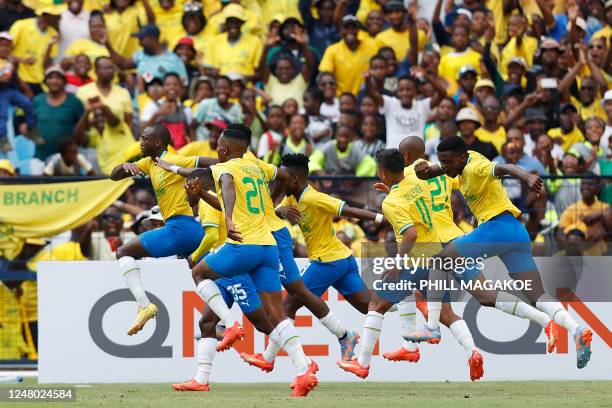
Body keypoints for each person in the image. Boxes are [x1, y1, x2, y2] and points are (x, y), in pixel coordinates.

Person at [414, 137, 593, 369]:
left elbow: (503, 168)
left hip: (496, 228)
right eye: (441, 162)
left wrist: (527, 176)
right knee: (538, 296)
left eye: (446, 162)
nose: (443, 166)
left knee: (439, 263)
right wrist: (422, 170)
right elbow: (431, 172)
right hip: (516, 233)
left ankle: (432, 326)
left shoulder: (475, 167)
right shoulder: (460, 162)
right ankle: (577, 330)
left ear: (460, 158)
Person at [182, 129, 319, 397]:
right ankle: (303, 368)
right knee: (277, 316)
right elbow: (280, 174)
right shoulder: (257, 167)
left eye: (219, 144)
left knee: (199, 273)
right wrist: (273, 205)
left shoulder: (225, 167)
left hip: (243, 244)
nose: (217, 148)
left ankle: (231, 323)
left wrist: (230, 220)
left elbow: (228, 188)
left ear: (223, 148)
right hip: (268, 247)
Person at [339, 147, 484, 381]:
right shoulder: (419, 183)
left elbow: (411, 234)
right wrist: (391, 192)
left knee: (376, 304)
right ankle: (473, 351)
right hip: (438, 255)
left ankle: (362, 364)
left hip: (417, 260)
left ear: (384, 174)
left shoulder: (391, 202)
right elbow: (411, 204)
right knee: (446, 313)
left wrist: (398, 263)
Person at [110, 124, 205, 336]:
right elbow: (113, 176)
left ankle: (144, 305)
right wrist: (125, 165)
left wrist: (234, 164)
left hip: (180, 228)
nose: (140, 143)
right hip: (192, 230)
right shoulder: (148, 163)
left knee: (123, 252)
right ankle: (224, 323)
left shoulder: (176, 160)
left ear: (157, 142)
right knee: (203, 276)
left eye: (144, 139)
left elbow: (210, 165)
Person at [367, 68, 446, 147]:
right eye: (401, 90)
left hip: (415, 155)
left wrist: (426, 76)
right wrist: (367, 79)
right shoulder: (390, 104)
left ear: (415, 91)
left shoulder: (422, 106)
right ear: (397, 92)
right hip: (393, 155)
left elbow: (442, 93)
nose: (405, 93)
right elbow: (372, 93)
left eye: (408, 89)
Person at [104, 23, 187, 92]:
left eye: (141, 39)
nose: (139, 43)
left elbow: (184, 85)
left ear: (153, 38)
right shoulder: (141, 55)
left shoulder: (173, 60)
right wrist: (107, 44)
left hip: (162, 107)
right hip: (140, 104)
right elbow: (123, 64)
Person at [76, 56, 133, 145]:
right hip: (92, 144)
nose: (109, 71)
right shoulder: (82, 91)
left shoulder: (123, 92)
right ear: (96, 70)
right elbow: (78, 121)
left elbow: (128, 122)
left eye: (111, 68)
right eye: (105, 68)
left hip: (120, 144)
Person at [32, 66, 84, 161]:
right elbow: (27, 123)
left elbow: (84, 126)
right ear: (45, 81)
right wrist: (33, 136)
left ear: (64, 82)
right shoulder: (37, 100)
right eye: (50, 78)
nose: (54, 81)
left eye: (58, 78)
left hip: (67, 158)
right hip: (40, 156)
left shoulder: (74, 101)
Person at [319, 15, 380, 95]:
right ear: (340, 30)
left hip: (365, 97)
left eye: (353, 28)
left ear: (358, 30)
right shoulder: (332, 50)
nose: (350, 31)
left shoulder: (372, 45)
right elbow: (325, 74)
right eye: (346, 28)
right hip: (341, 99)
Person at [9, 6, 61, 94]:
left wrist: (50, 46)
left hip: (39, 81)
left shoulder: (54, 34)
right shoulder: (21, 25)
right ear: (46, 16)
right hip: (18, 79)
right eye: (56, 15)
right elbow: (4, 52)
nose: (60, 18)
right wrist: (23, 60)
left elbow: (46, 65)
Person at [205, 4, 263, 81]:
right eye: (230, 21)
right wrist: (213, 73)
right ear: (225, 23)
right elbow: (207, 69)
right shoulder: (213, 42)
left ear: (242, 22)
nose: (233, 25)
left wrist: (244, 78)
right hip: (221, 87)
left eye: (237, 21)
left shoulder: (255, 41)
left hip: (245, 87)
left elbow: (260, 72)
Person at [0, 31, 36, 152]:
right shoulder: (8, 63)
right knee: (3, 115)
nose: (5, 48)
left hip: (11, 90)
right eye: (2, 45)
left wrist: (27, 90)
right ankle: (2, 139)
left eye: (7, 46)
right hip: (1, 93)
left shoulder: (10, 60)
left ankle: (32, 130)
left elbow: (16, 77)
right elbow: (5, 78)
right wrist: (9, 69)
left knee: (27, 103)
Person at [261, 25, 312, 110]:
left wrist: (304, 45)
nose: (284, 71)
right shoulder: (270, 82)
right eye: (280, 69)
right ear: (275, 71)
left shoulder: (299, 82)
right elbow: (262, 67)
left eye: (287, 69)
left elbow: (309, 65)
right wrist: (266, 47)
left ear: (293, 70)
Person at [141, 72, 192, 149]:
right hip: (159, 152)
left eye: (175, 84)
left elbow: (190, 133)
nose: (172, 87)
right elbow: (142, 130)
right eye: (168, 85)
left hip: (181, 153)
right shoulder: (153, 105)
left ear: (181, 88)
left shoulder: (186, 110)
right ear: (163, 87)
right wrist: (157, 114)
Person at [309, 125, 376, 176]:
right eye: (340, 136)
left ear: (351, 139)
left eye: (346, 137)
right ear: (335, 136)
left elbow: (370, 163)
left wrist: (357, 179)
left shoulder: (354, 149)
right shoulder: (328, 146)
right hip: (329, 183)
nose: (343, 140)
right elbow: (312, 161)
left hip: (349, 184)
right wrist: (322, 175)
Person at [193, 76, 242, 141]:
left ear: (231, 90)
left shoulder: (237, 108)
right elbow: (192, 126)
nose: (222, 90)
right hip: (203, 145)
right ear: (214, 89)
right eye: (219, 88)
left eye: (225, 88)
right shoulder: (206, 104)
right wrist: (195, 143)